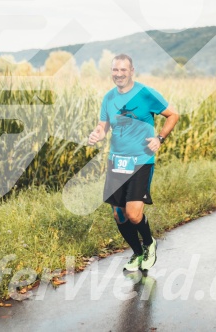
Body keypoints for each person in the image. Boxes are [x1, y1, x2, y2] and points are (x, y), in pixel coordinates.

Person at [88, 54, 179, 271]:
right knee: (119, 215)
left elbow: (173, 114)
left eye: (123, 70)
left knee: (133, 214)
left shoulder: (145, 93)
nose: (118, 74)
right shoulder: (109, 98)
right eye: (115, 70)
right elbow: (103, 125)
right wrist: (97, 134)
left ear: (131, 71)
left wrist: (160, 138)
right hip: (116, 161)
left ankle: (149, 243)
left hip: (141, 160)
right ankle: (137, 253)